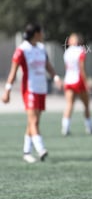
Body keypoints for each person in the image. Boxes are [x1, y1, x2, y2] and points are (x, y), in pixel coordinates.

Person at [2, 23, 62, 163]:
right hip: (30, 89)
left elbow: (48, 66)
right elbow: (13, 71)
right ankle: (41, 149)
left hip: (41, 89)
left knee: (34, 122)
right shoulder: (22, 50)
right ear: (36, 34)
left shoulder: (41, 48)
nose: (43, 34)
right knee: (33, 120)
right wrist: (7, 91)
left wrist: (56, 78)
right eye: (42, 32)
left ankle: (26, 152)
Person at [61, 33, 92, 136]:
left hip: (68, 80)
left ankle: (65, 127)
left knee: (69, 104)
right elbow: (82, 69)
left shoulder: (67, 52)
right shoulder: (81, 51)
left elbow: (67, 68)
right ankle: (89, 126)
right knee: (86, 104)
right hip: (78, 80)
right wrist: (86, 83)